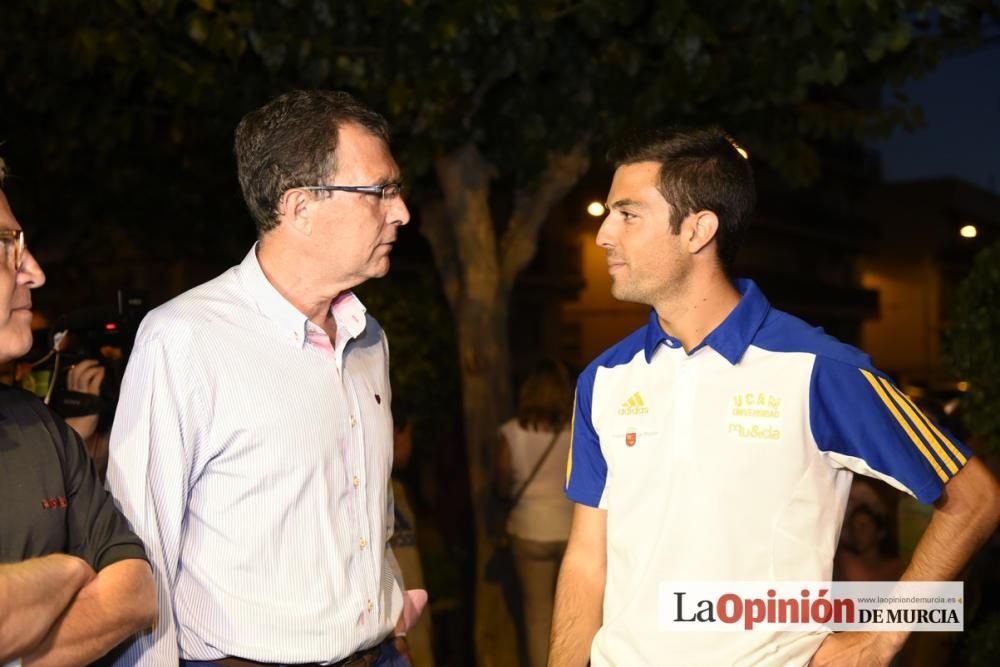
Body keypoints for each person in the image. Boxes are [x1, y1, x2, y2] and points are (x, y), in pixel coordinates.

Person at [548, 127, 1000, 667]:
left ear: (697, 229)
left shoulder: (819, 369)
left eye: (628, 214)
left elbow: (975, 499)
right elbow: (585, 560)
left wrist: (880, 638)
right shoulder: (604, 378)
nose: (603, 234)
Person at [106, 90, 413, 666]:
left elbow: (368, 508)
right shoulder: (184, 338)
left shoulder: (368, 339)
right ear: (300, 207)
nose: (400, 212)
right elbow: (142, 551)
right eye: (379, 192)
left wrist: (389, 621)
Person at [0, 156, 156, 666]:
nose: (35, 271)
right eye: (6, 245)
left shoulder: (36, 424)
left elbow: (136, 591)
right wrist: (69, 571)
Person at [494, 359, 573, 667]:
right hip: (570, 530)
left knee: (537, 616)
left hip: (528, 531)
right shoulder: (576, 432)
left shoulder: (511, 433)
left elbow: (502, 485)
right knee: (572, 612)